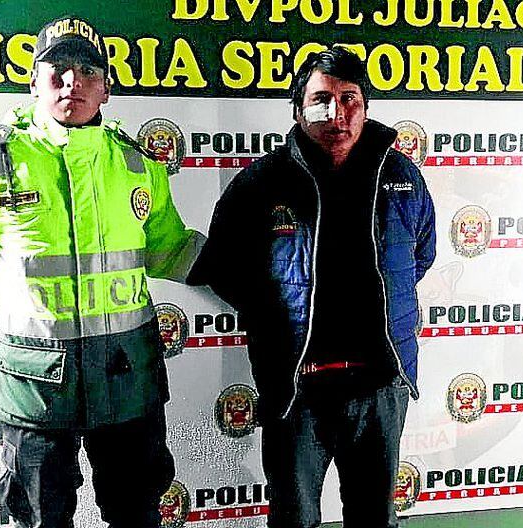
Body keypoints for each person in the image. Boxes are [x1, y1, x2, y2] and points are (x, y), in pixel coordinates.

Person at [0, 16, 203, 528]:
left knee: (137, 515)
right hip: (34, 386)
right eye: (58, 69)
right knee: (43, 519)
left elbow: (170, 250)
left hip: (126, 380)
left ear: (106, 88)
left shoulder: (136, 164)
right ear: (34, 83)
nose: (73, 83)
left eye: (88, 71)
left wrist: (257, 269)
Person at [188, 47, 436, 528]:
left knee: (374, 518)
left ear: (365, 107)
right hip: (297, 390)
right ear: (298, 109)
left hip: (381, 386)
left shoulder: (401, 177)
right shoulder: (261, 182)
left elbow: (419, 256)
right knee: (294, 518)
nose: (337, 113)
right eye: (321, 100)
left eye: (349, 99)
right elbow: (221, 265)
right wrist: (270, 311)